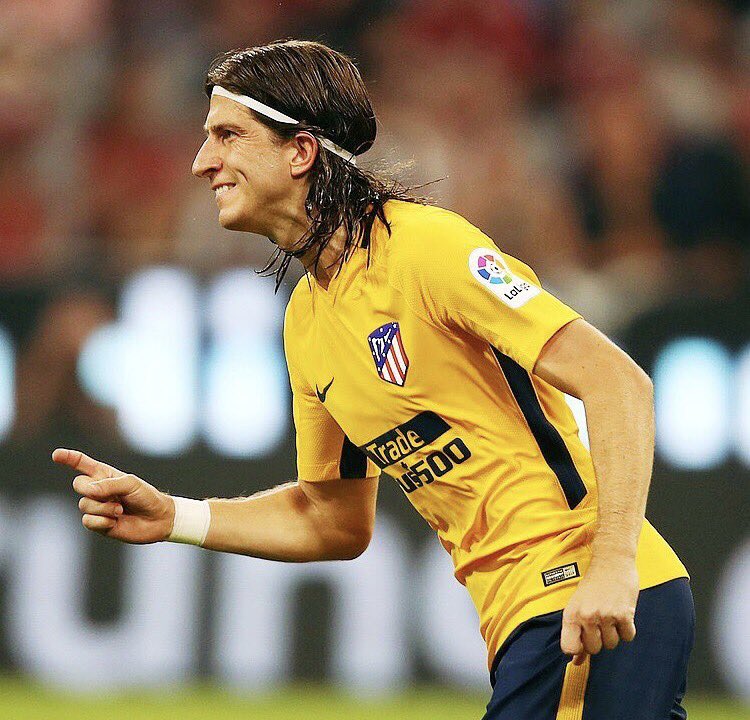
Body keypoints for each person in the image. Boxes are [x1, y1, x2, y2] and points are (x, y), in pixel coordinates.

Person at [52, 40, 694, 719]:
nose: (202, 160)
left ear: (300, 152)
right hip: (526, 619)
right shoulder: (308, 321)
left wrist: (612, 566)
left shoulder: (425, 249)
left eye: (228, 135)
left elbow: (618, 382)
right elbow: (332, 519)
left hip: (583, 597)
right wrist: (177, 516)